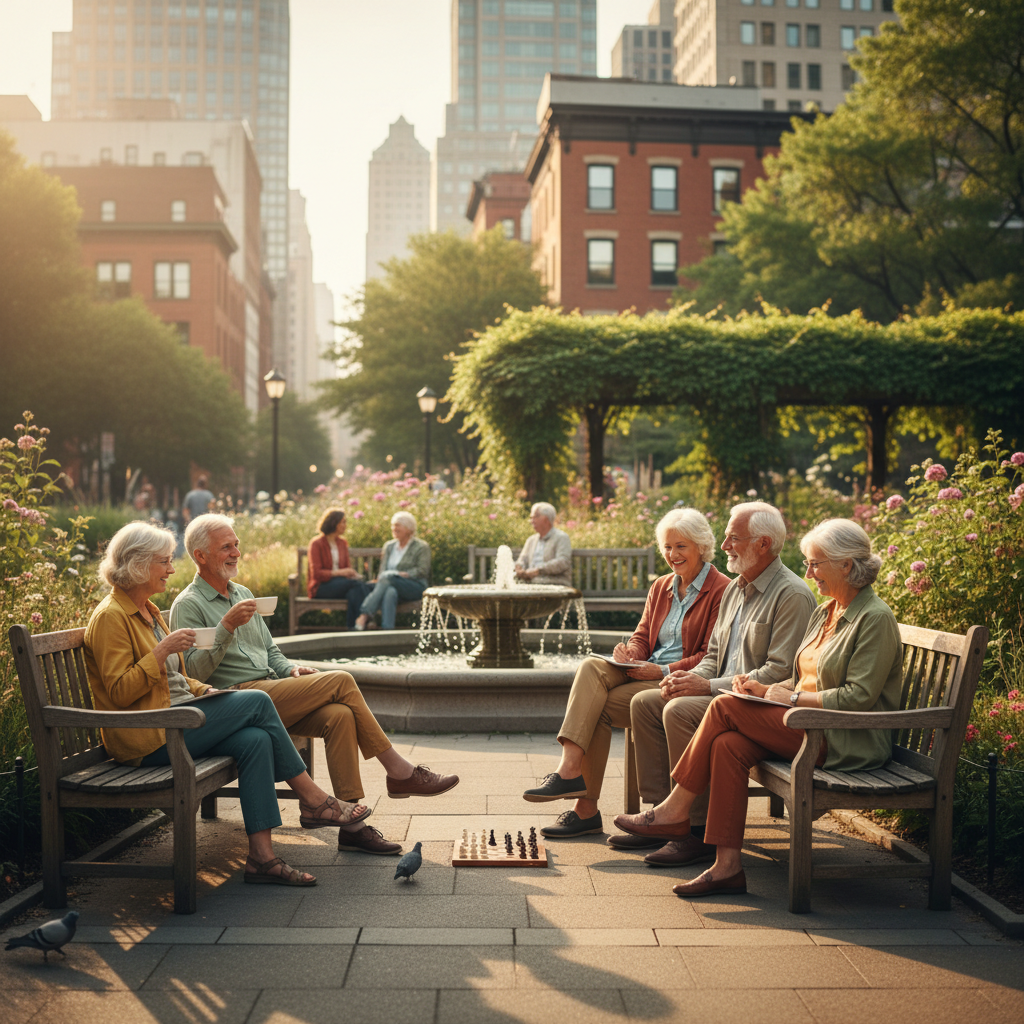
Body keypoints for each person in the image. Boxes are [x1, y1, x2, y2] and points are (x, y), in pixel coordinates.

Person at [613, 518, 903, 898]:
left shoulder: (874, 618)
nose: (809, 572)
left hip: (843, 737)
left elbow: (857, 698)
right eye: (809, 563)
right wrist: (768, 689)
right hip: (806, 724)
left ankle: (674, 808)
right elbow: (800, 676)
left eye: (816, 564)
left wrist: (791, 698)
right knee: (727, 746)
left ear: (846, 565)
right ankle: (726, 867)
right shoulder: (827, 610)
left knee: (724, 709)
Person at [84, 522, 371, 887]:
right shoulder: (111, 617)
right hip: (150, 737)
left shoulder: (147, 610)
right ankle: (315, 800)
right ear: (138, 564)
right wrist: (161, 652)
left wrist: (202, 689)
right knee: (258, 702)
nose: (172, 569)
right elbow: (120, 691)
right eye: (164, 562)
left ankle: (262, 860)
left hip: (178, 718)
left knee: (255, 739)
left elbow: (176, 676)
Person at [170, 514, 459, 856]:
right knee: (342, 680)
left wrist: (291, 670)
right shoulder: (189, 605)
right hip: (235, 702)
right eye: (226, 547)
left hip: (271, 692)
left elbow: (270, 651)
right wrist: (226, 628)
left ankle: (353, 828)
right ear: (200, 556)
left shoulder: (243, 593)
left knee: (339, 714)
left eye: (237, 545)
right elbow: (193, 673)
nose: (236, 552)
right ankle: (398, 770)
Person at [621, 501, 816, 866]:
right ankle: (662, 816)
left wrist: (707, 688)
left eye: (733, 538)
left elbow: (779, 672)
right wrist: (690, 677)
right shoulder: (736, 589)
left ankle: (694, 831)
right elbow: (714, 654)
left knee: (679, 710)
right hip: (722, 695)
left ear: (762, 544)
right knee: (646, 703)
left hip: (756, 706)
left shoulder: (791, 594)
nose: (724, 546)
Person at [522, 508, 729, 838]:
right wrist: (630, 653)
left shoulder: (722, 589)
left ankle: (588, 808)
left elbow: (710, 656)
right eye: (667, 547)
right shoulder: (661, 586)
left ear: (701, 546)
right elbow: (643, 635)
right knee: (592, 666)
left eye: (681, 547)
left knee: (598, 709)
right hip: (644, 671)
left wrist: (659, 669)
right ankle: (570, 769)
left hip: (678, 680)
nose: (672, 555)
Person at [353, 511, 431, 631]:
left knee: (389, 578)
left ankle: (364, 615)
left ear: (409, 529)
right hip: (389, 585)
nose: (394, 528)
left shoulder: (421, 547)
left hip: (414, 586)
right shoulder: (389, 546)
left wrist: (405, 574)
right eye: (393, 525)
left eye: (398, 525)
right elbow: (383, 571)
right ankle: (387, 631)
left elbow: (422, 570)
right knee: (390, 592)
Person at [306, 508, 369, 629]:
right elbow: (317, 574)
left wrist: (351, 574)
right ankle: (364, 620)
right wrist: (341, 572)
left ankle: (354, 629)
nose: (345, 525)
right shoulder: (316, 543)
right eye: (343, 522)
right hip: (321, 587)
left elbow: (346, 568)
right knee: (357, 586)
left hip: (342, 585)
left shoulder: (342, 543)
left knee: (355, 591)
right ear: (334, 523)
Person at [513, 503, 572, 587]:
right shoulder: (531, 540)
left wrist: (538, 570)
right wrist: (519, 567)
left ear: (546, 519)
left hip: (555, 582)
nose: (531, 521)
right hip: (532, 582)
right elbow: (522, 559)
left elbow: (563, 562)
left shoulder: (562, 537)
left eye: (535, 517)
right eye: (531, 517)